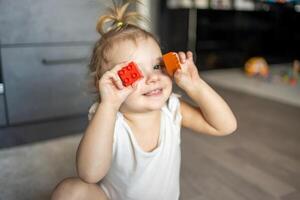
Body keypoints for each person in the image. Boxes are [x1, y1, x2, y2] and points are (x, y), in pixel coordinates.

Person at [51, 1, 237, 199]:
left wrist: (195, 85)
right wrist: (109, 105)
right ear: (108, 84)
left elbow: (225, 126)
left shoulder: (172, 109)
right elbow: (89, 174)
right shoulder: (109, 119)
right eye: (135, 72)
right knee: (69, 191)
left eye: (157, 66)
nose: (153, 77)